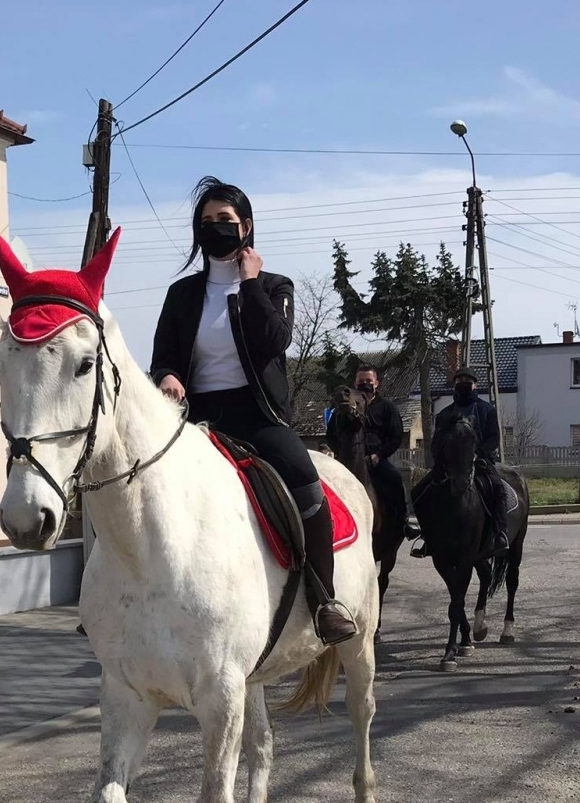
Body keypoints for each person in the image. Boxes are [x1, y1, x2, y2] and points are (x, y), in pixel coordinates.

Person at [150, 176, 357, 644]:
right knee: (133, 479)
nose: (215, 228)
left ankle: (324, 600)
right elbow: (163, 356)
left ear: (246, 227)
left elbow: (274, 341)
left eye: (225, 221)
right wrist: (167, 376)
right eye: (206, 222)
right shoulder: (181, 295)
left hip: (259, 417)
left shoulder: (273, 285)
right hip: (196, 419)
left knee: (308, 488)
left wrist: (248, 283)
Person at [434, 368, 511, 555]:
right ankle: (429, 536)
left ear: (475, 385)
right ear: (454, 384)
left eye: (468, 380)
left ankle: (499, 533)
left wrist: (478, 453)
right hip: (451, 464)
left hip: (480, 460)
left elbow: (494, 437)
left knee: (498, 490)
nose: (464, 382)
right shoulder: (444, 414)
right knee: (425, 490)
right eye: (460, 379)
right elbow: (436, 441)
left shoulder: (487, 410)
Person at [352, 363, 411, 535]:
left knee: (395, 478)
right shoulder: (348, 406)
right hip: (351, 460)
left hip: (376, 461)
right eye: (361, 381)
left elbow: (396, 436)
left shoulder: (387, 407)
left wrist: (378, 456)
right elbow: (333, 433)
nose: (364, 384)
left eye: (368, 380)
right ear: (355, 383)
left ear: (376, 383)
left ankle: (403, 522)